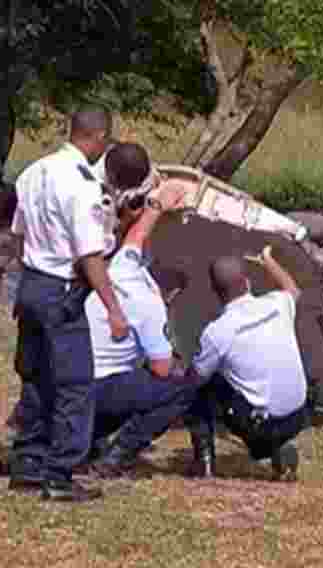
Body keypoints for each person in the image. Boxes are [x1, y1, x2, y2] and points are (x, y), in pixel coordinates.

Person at [6, 107, 129, 502]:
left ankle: (28, 460)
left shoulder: (33, 172)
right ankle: (59, 473)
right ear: (99, 138)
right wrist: (113, 307)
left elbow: (18, 235)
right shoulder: (83, 185)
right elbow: (90, 254)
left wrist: (27, 276)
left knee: (35, 374)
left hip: (32, 282)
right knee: (74, 383)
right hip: (61, 289)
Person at [80, 142, 199, 479]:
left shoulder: (117, 265)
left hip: (72, 383)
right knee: (182, 386)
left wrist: (157, 205)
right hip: (101, 391)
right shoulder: (146, 299)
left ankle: (86, 441)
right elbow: (162, 368)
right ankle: (120, 453)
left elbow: (136, 237)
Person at [183, 246, 310, 481]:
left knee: (197, 384)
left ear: (216, 292)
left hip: (261, 427)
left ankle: (205, 463)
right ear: (247, 283)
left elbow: (195, 379)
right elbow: (293, 289)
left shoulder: (218, 331)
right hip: (299, 415)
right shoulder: (278, 304)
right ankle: (278, 447)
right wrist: (268, 261)